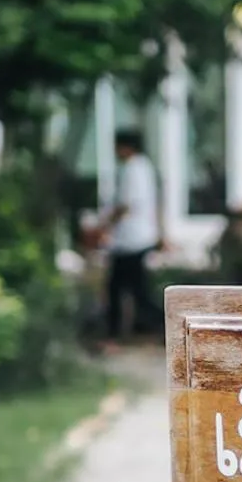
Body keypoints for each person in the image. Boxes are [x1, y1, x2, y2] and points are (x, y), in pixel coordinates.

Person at [101, 130, 165, 347]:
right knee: (134, 290)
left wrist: (104, 225)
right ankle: (148, 328)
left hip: (131, 240)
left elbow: (125, 204)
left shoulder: (132, 169)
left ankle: (115, 336)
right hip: (138, 237)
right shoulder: (144, 167)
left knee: (122, 289)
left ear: (126, 147)